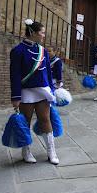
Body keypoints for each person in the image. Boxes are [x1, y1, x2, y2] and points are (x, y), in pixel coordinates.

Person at [10, 19, 59, 165]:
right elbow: (15, 75)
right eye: (42, 33)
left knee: (45, 119)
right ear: (32, 33)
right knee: (26, 121)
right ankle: (26, 151)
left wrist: (51, 89)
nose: (44, 35)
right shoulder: (18, 51)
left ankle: (51, 151)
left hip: (42, 90)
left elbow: (48, 74)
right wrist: (16, 96)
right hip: (26, 91)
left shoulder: (42, 50)